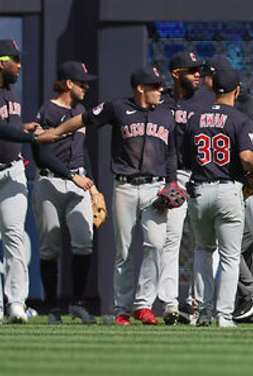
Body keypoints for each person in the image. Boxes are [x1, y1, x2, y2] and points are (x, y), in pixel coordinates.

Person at [39, 65, 180, 327]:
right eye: (155, 87)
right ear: (140, 89)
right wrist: (56, 133)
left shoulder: (166, 113)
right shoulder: (118, 107)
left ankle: (144, 306)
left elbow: (171, 153)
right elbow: (83, 120)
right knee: (124, 250)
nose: (161, 90)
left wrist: (172, 184)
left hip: (156, 188)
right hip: (125, 187)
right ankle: (122, 309)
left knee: (156, 245)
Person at [0, 39, 77, 325]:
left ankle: (16, 303)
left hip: (12, 170)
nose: (19, 65)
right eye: (15, 60)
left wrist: (23, 126)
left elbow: (6, 124)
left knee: (14, 234)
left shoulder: (9, 90)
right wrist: (34, 137)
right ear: (1, 64)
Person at [179, 66, 253, 328]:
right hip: (228, 189)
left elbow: (185, 158)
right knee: (229, 256)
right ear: (236, 90)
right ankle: (224, 316)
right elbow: (246, 157)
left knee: (203, 251)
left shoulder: (195, 118)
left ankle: (202, 313)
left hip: (200, 189)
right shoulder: (240, 119)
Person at [32, 61, 101, 324]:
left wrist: (91, 183)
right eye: (82, 82)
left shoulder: (81, 110)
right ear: (68, 84)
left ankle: (78, 303)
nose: (86, 87)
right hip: (50, 182)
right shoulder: (47, 111)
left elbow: (82, 150)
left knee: (83, 242)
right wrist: (74, 177)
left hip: (78, 181)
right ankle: (52, 309)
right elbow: (41, 155)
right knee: (50, 248)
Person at [157, 51, 210, 325]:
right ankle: (169, 304)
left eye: (199, 70)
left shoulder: (207, 100)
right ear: (176, 74)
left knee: (203, 243)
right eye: (191, 71)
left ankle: (197, 303)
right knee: (171, 239)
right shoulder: (162, 100)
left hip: (201, 175)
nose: (197, 74)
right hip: (174, 175)